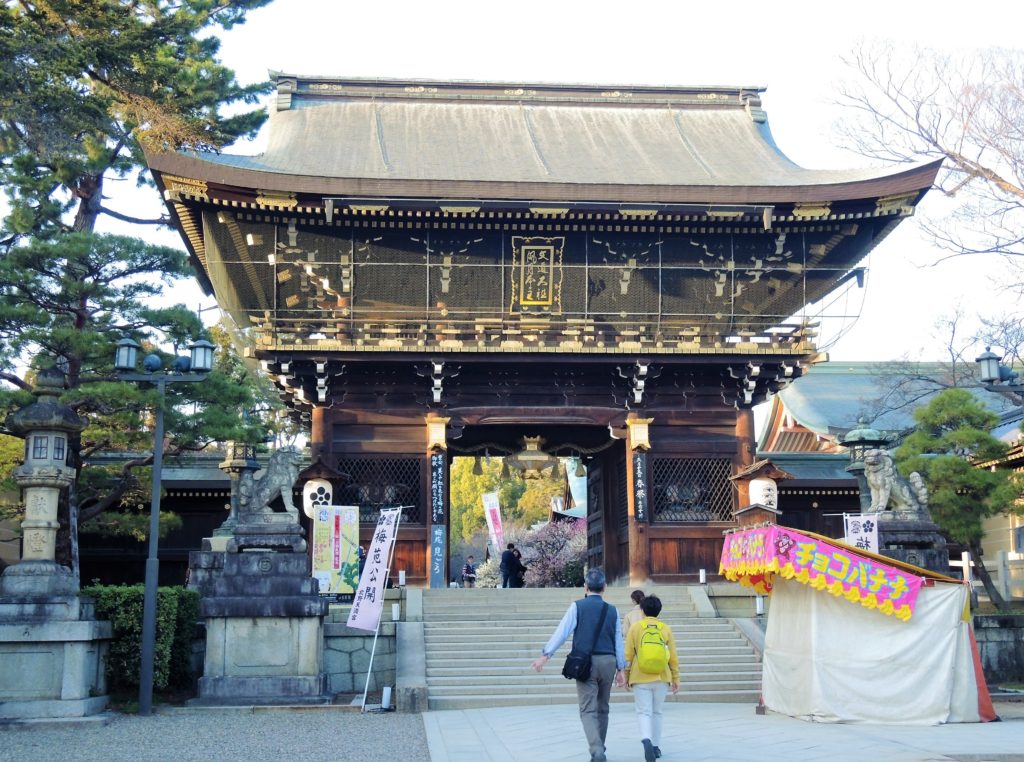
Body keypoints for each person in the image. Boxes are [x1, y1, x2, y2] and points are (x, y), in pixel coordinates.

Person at [531, 569, 625, 762]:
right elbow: (618, 640)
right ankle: (600, 747)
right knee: (603, 708)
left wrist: (545, 655)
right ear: (604, 588)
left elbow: (562, 632)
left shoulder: (577, 606)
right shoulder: (613, 610)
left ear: (585, 587)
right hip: (609, 661)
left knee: (587, 709)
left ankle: (597, 750)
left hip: (586, 663)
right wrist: (621, 669)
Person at [623, 595, 680, 762]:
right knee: (657, 712)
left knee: (644, 711)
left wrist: (625, 675)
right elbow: (673, 656)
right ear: (659, 610)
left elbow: (628, 655)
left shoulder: (635, 628)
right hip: (662, 676)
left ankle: (646, 738)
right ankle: (655, 746)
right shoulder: (665, 628)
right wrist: (676, 677)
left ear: (642, 610)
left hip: (640, 676)